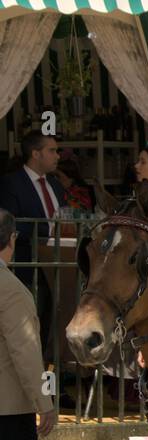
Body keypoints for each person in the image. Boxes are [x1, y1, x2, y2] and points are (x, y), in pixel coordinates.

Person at [0, 208, 57, 440]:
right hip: (8, 406)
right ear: (12, 240)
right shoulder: (12, 289)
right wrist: (46, 403)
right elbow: (25, 351)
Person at [0, 132, 65, 349]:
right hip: (27, 268)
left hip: (56, 268)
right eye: (52, 151)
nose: (58, 156)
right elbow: (10, 223)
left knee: (50, 327)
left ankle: (48, 374)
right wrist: (48, 229)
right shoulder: (11, 183)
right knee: (28, 328)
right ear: (35, 154)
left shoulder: (55, 185)